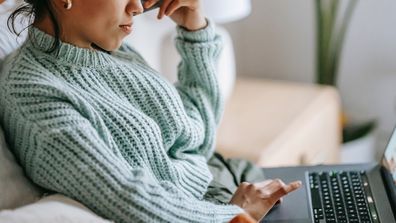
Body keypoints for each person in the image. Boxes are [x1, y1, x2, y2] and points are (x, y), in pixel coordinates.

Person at [0, 0, 301, 222]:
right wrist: (233, 216)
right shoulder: (33, 91)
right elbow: (124, 196)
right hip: (208, 211)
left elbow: (195, 139)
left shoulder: (108, 50)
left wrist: (193, 27)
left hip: (223, 181)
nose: (137, 6)